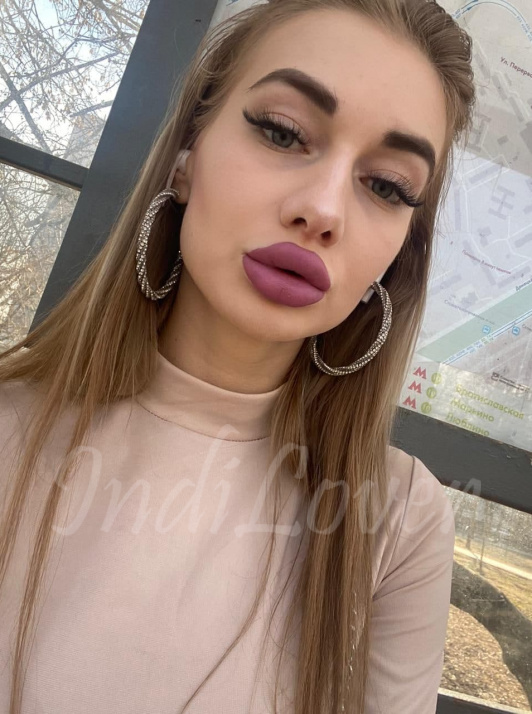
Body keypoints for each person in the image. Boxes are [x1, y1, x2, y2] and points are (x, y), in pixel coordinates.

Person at [0, 0, 476, 712]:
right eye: (283, 132)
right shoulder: (11, 423)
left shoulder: (399, 522)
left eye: (387, 186)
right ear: (186, 156)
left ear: (400, 252)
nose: (323, 210)